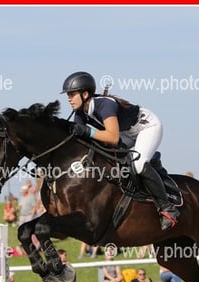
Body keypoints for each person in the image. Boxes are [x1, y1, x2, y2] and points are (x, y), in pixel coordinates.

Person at [62, 71, 179, 230]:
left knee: (138, 165)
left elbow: (112, 138)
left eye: (72, 94)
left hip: (147, 127)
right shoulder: (80, 113)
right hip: (125, 133)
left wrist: (88, 131)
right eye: (68, 95)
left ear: (85, 94)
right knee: (104, 154)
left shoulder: (104, 105)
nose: (69, 98)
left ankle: (167, 208)